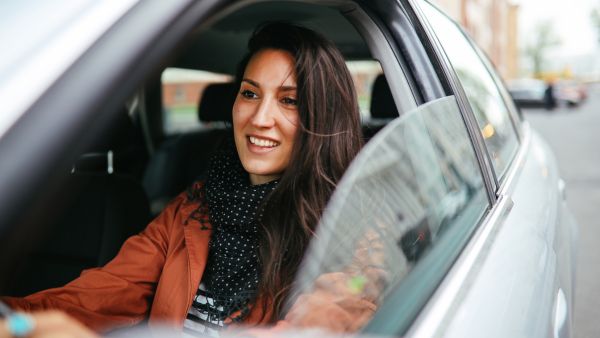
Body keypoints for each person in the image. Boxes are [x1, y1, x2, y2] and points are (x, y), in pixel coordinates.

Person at [0, 22, 364, 337]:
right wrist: (16, 321)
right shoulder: (193, 209)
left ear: (322, 118)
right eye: (250, 93)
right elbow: (101, 294)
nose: (260, 118)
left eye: (289, 101)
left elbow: (316, 327)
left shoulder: (352, 235)